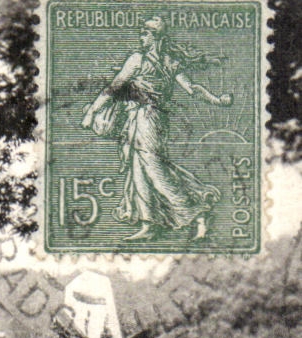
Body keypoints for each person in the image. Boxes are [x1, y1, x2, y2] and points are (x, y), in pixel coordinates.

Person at [80, 16, 232, 241]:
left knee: (154, 169)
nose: (141, 37)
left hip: (146, 119)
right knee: (140, 169)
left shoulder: (138, 60)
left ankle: (198, 212)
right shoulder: (170, 62)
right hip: (152, 120)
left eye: (145, 33)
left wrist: (92, 112)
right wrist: (217, 100)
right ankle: (148, 224)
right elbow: (193, 89)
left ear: (155, 37)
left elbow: (113, 88)